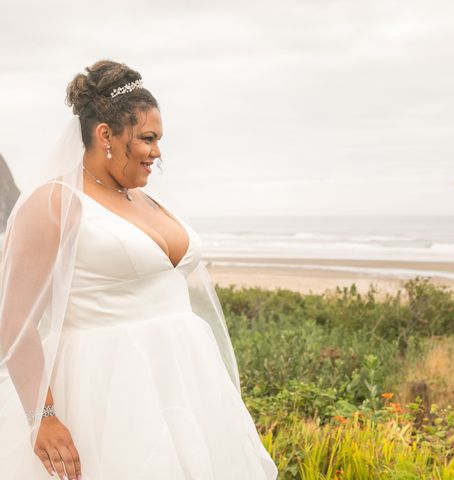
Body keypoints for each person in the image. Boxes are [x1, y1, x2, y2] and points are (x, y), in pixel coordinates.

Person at [0, 60, 278, 479]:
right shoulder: (54, 202)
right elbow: (15, 320)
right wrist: (44, 415)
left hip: (186, 386)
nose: (157, 152)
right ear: (105, 135)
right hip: (108, 393)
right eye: (147, 139)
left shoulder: (144, 200)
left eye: (158, 140)